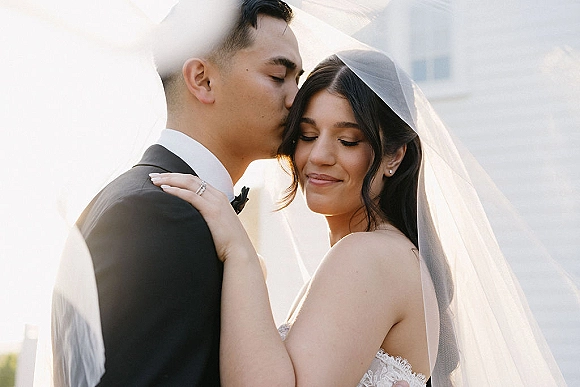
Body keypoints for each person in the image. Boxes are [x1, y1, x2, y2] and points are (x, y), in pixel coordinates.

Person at [150, 51, 440, 386]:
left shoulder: (368, 255)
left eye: (348, 141)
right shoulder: (390, 254)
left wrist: (240, 254)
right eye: (307, 135)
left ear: (395, 156)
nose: (319, 156)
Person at [52, 1, 303, 385]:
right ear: (202, 79)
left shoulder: (148, 202)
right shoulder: (158, 215)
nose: (296, 100)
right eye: (278, 76)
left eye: (298, 80)